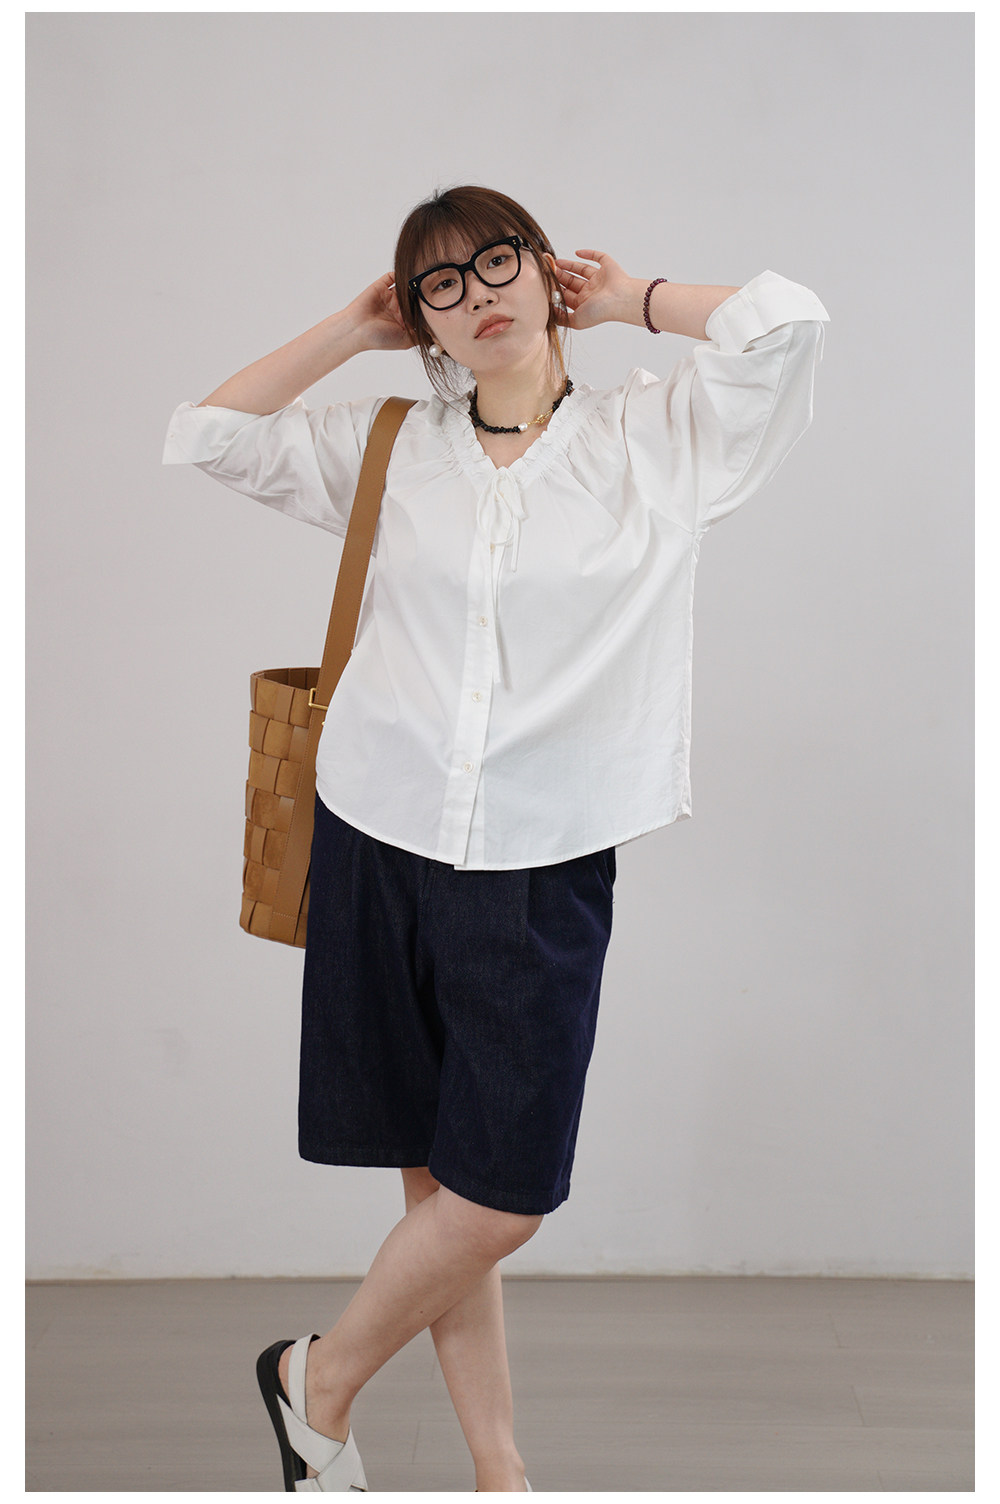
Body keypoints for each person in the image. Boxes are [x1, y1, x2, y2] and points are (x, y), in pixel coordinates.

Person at [162, 184, 830, 1493]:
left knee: (500, 1195)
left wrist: (635, 298)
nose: (476, 298)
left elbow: (786, 321)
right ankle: (499, 1471)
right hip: (378, 835)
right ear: (419, 320)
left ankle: (315, 1381)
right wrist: (350, 330)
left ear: (544, 268)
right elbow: (210, 435)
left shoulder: (658, 438)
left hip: (541, 859)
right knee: (442, 1190)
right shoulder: (396, 446)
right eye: (441, 287)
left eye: (496, 263)